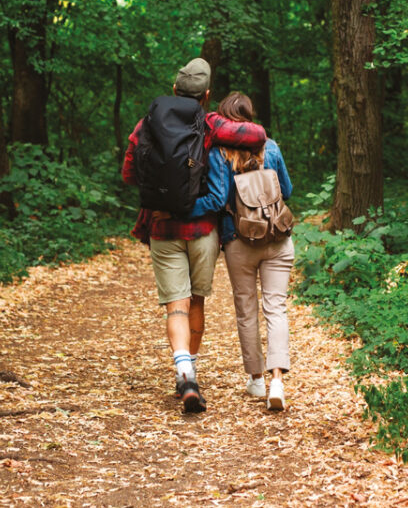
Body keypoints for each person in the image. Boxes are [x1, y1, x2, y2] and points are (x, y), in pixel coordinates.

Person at [122, 59, 266, 413]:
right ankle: (190, 370)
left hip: (162, 227)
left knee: (176, 305)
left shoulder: (146, 125)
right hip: (202, 230)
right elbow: (256, 136)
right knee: (197, 301)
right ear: (206, 95)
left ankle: (184, 370)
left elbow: (128, 173)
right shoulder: (209, 123)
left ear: (174, 90)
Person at [188, 92, 294, 411]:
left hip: (239, 241)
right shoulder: (271, 147)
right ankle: (277, 380)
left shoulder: (219, 153)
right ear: (251, 117)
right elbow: (286, 190)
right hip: (277, 237)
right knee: (276, 308)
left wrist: (185, 208)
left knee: (246, 310)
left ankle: (256, 381)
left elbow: (219, 200)